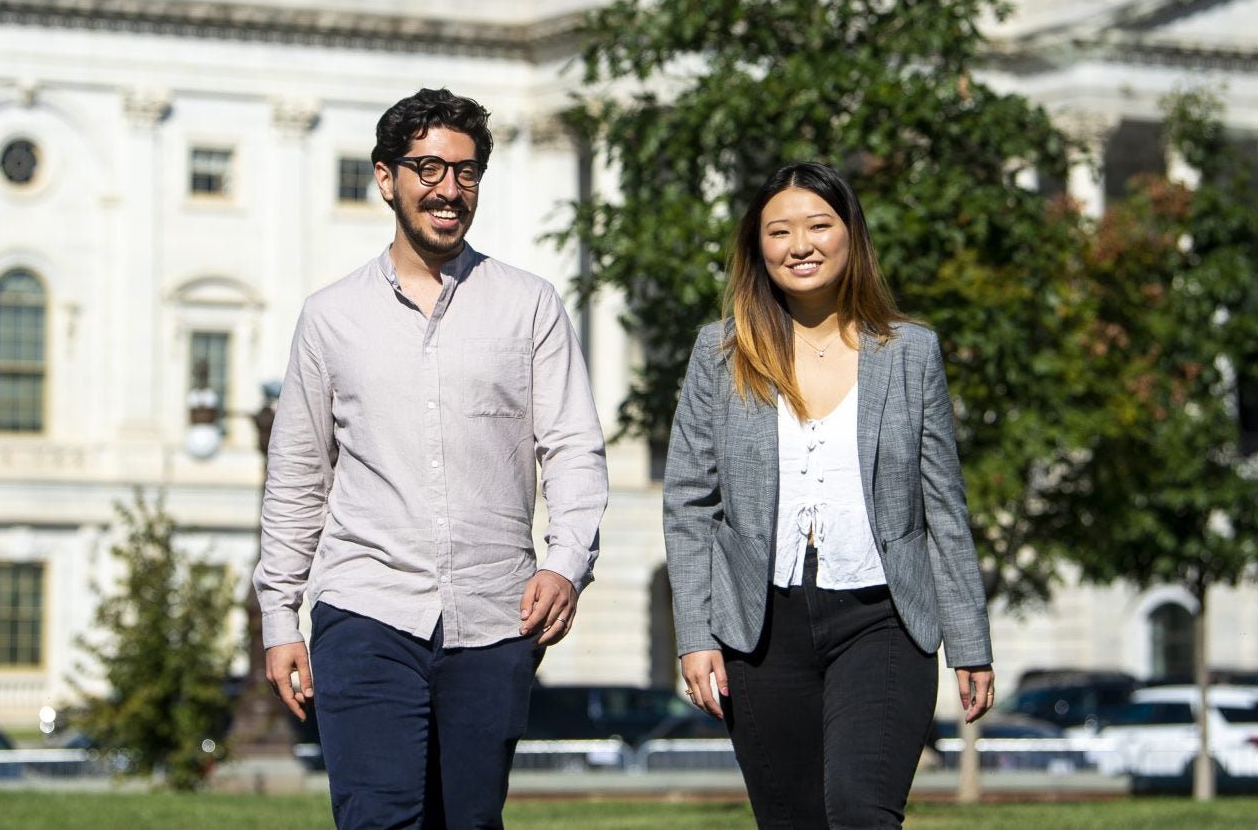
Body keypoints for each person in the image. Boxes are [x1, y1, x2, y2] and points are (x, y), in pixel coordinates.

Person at [254, 87, 609, 829]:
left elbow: (573, 445)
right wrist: (279, 614)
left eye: (467, 171)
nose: (450, 189)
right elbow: (297, 477)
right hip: (366, 607)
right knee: (378, 816)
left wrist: (565, 558)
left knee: (469, 822)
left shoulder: (530, 305)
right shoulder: (330, 317)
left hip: (495, 615)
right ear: (387, 178)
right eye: (429, 168)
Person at [662, 161, 994, 829]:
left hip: (883, 621)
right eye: (779, 231)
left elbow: (944, 507)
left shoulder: (910, 352)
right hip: (761, 631)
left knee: (861, 811)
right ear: (758, 246)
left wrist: (970, 640)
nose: (800, 244)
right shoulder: (719, 352)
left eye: (819, 225)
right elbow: (689, 500)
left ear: (851, 236)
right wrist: (695, 635)